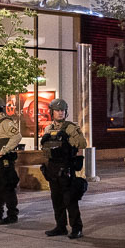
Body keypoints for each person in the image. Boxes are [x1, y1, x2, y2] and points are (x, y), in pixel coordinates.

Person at [40, 99, 88, 238]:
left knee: (70, 200)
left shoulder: (70, 127)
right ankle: (60, 226)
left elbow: (82, 143)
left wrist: (67, 138)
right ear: (52, 112)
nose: (60, 113)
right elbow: (45, 148)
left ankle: (76, 228)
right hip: (53, 167)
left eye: (62, 111)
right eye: (57, 110)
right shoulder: (48, 129)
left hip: (66, 167)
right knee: (56, 200)